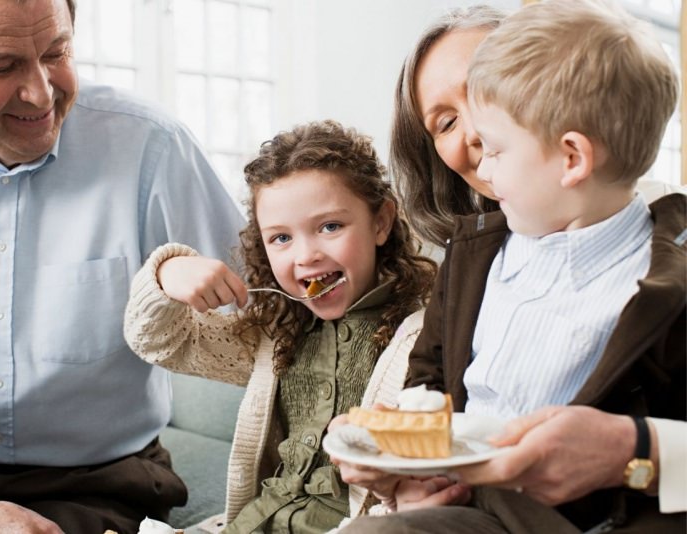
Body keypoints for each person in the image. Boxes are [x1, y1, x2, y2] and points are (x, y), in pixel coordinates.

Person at [0, 0, 244, 532]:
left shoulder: (152, 147)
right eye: (2, 66)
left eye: (56, 52)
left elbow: (271, 321)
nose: (40, 91)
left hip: (99, 478)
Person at [339, 0, 685, 532]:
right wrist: (401, 461)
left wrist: (635, 452)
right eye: (448, 121)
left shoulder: (668, 274)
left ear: (572, 156)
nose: (476, 136)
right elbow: (429, 387)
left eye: (487, 100)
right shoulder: (472, 253)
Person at [123, 120, 443, 533]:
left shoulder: (423, 336)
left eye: (330, 227)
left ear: (380, 222)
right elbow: (156, 343)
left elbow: (418, 488)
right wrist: (167, 273)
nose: (306, 256)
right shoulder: (275, 335)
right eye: (280, 238)